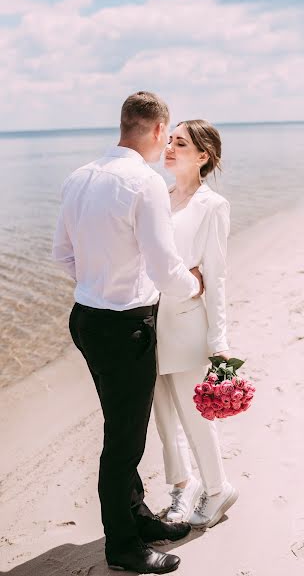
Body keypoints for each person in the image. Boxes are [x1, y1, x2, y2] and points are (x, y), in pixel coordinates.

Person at [52, 92, 205, 574]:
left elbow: (62, 254)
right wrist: (195, 285)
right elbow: (164, 268)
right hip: (125, 326)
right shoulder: (146, 182)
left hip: (87, 319)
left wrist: (98, 280)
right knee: (123, 441)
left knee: (123, 431)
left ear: (124, 125)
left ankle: (137, 518)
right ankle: (122, 545)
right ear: (159, 131)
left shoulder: (79, 176)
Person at [153, 119, 239, 529]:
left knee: (194, 416)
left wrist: (218, 339)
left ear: (203, 156)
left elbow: (216, 276)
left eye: (181, 143)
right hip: (148, 324)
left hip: (187, 326)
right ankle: (180, 487)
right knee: (164, 417)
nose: (169, 148)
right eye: (169, 140)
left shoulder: (212, 206)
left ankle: (219, 488)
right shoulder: (158, 197)